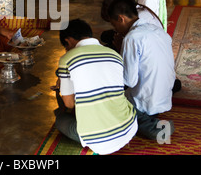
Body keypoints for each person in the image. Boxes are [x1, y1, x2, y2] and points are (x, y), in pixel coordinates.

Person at [53, 19, 138, 155]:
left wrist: (62, 86)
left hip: (100, 141)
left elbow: (69, 104)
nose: (66, 50)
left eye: (65, 46)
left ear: (68, 41)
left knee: (60, 120)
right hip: (129, 128)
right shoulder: (114, 54)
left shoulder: (67, 58)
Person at [107, 0, 176, 140]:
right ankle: (148, 121)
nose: (116, 30)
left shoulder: (132, 37)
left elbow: (129, 81)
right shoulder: (157, 30)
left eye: (115, 25)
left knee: (107, 102)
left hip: (145, 104)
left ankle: (152, 126)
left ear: (121, 19)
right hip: (164, 98)